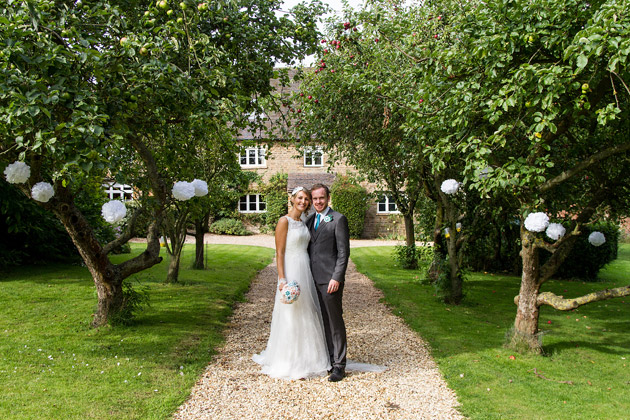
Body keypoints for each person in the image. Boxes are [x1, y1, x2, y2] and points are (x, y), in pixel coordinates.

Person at [253, 187, 330, 380]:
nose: (303, 202)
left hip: (305, 269)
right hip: (291, 268)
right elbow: (279, 252)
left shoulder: (304, 221)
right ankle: (289, 360)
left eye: (306, 199)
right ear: (292, 199)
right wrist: (282, 279)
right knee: (290, 313)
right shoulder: (283, 221)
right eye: (300, 198)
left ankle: (310, 359)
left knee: (308, 311)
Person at [306, 183, 350, 382]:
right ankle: (330, 360)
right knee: (322, 321)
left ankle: (339, 365)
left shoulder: (338, 219)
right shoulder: (309, 220)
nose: (318, 202)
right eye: (314, 199)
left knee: (335, 321)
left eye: (321, 198)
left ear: (328, 198)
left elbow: (343, 253)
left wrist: (337, 277)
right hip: (312, 279)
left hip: (330, 280)